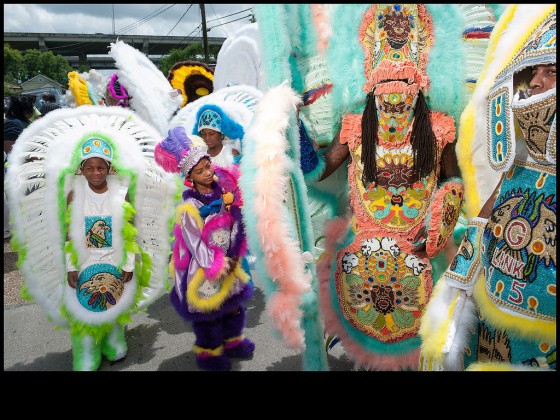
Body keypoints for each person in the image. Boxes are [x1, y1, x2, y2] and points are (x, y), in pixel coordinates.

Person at [418, 4, 556, 371]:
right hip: (494, 320)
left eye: (552, 71)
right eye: (533, 73)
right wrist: (455, 295)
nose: (536, 83)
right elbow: (486, 218)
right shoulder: (518, 157)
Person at [5, 105, 177, 371]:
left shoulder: (121, 192)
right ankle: (86, 352)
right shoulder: (75, 194)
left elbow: (129, 229)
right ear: (81, 169)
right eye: (89, 168)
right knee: (84, 309)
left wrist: (129, 264)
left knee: (114, 303)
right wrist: (72, 267)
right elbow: (69, 233)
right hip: (85, 261)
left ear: (109, 167)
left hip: (115, 259)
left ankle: (113, 341)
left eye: (101, 167)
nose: (96, 173)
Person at [168, 131, 254, 371]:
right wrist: (217, 264)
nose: (207, 172)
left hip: (230, 261)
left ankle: (232, 342)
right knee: (210, 313)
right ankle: (209, 354)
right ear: (189, 178)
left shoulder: (225, 192)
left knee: (233, 305)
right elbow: (194, 243)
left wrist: (235, 252)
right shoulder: (188, 208)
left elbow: (237, 221)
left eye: (208, 166)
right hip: (206, 268)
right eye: (200, 171)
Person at [4, 94, 35, 240]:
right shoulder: (14, 124)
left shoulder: (22, 122)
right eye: (31, 107)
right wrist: (31, 157)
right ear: (25, 109)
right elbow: (10, 148)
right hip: (18, 171)